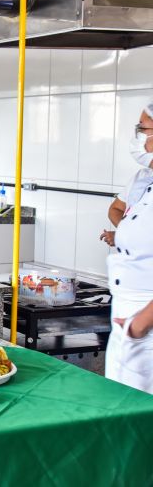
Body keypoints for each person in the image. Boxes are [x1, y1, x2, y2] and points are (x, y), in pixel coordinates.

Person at [104, 104, 153, 393]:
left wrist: (139, 326)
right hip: (129, 315)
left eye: (143, 130)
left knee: (140, 414)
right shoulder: (145, 182)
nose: (138, 139)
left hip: (144, 317)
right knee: (121, 406)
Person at [100, 102, 153, 248]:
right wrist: (126, 233)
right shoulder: (143, 176)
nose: (138, 135)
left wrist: (125, 237)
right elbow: (115, 209)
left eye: (142, 128)